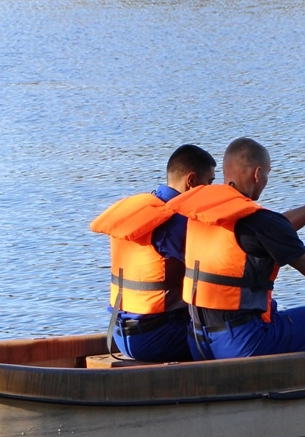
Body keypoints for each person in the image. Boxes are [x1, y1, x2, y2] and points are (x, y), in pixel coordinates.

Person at [165, 137, 305, 360]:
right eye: (267, 173)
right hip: (241, 343)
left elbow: (277, 228)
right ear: (258, 174)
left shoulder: (202, 212)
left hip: (198, 341)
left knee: (275, 310)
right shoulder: (259, 221)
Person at [90, 144, 217, 362]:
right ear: (191, 181)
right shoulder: (175, 223)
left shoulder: (142, 210)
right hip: (157, 338)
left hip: (120, 334)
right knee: (234, 336)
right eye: (210, 182)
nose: (212, 190)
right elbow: (216, 268)